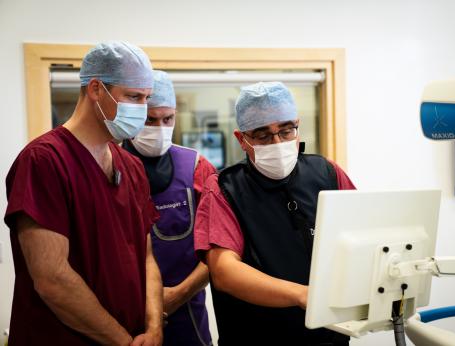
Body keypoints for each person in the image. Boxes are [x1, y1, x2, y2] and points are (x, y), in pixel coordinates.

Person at [4, 41, 163, 345]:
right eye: (132, 97)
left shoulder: (131, 167)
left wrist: (154, 328)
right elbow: (52, 279)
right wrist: (122, 341)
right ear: (95, 89)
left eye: (146, 98)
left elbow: (147, 257)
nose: (142, 109)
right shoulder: (44, 161)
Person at [194, 81, 355, 346]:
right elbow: (225, 271)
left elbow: (361, 235)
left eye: (286, 130)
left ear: (297, 126)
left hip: (328, 334)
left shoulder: (326, 173)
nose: (277, 142)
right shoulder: (224, 188)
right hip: (256, 335)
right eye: (263, 135)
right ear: (242, 139)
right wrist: (303, 295)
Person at [122, 70, 215, 346]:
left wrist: (178, 294)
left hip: (186, 310)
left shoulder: (197, 167)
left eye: (168, 119)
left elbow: (221, 249)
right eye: (150, 120)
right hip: (125, 312)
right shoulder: (109, 165)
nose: (159, 128)